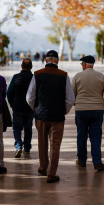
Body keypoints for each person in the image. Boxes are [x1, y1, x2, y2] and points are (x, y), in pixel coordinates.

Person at [26, 50, 75, 183]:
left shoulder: (37, 74)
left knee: (42, 143)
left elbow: (29, 97)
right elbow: (70, 99)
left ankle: (43, 167)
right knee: (55, 145)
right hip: (57, 116)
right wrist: (63, 111)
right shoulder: (64, 75)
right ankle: (51, 174)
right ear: (57, 61)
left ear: (46, 60)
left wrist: (36, 109)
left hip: (41, 115)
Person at [72, 55, 104, 171]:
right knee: (95, 136)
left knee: (81, 135)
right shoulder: (100, 76)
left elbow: (71, 93)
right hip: (97, 110)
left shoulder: (77, 76)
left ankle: (81, 161)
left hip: (81, 111)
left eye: (82, 64)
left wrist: (77, 103)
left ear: (84, 64)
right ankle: (97, 162)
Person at [7, 58, 34, 158]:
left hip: (17, 108)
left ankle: (18, 146)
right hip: (30, 108)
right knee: (28, 128)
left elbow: (9, 93)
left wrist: (12, 105)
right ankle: (27, 148)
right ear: (31, 67)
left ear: (21, 66)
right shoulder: (34, 78)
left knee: (17, 128)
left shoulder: (16, 77)